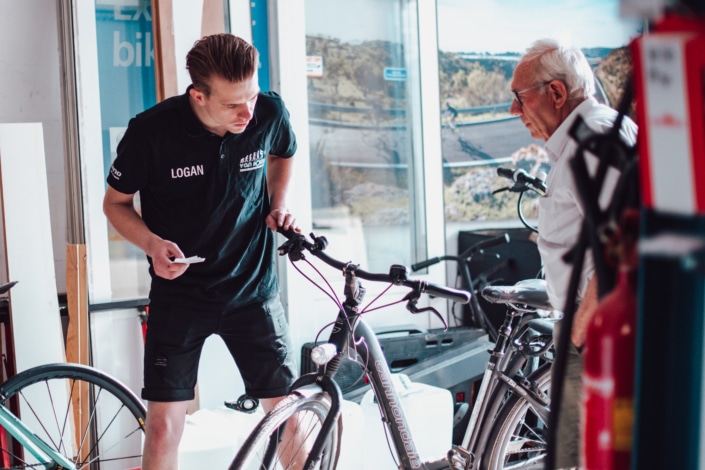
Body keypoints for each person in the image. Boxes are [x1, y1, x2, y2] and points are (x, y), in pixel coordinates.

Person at [103, 33, 302, 470]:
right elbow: (115, 204)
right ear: (198, 96)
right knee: (162, 429)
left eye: (252, 96)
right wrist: (152, 244)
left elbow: (283, 153)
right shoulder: (151, 132)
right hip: (180, 296)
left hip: (252, 291)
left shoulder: (268, 112)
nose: (248, 113)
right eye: (233, 104)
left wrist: (279, 202)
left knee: (289, 417)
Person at [509, 38, 637, 469]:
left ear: (557, 92)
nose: (514, 110)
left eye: (520, 97)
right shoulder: (588, 136)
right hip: (595, 332)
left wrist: (581, 332)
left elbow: (626, 245)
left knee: (580, 459)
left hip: (597, 335)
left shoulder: (592, 139)